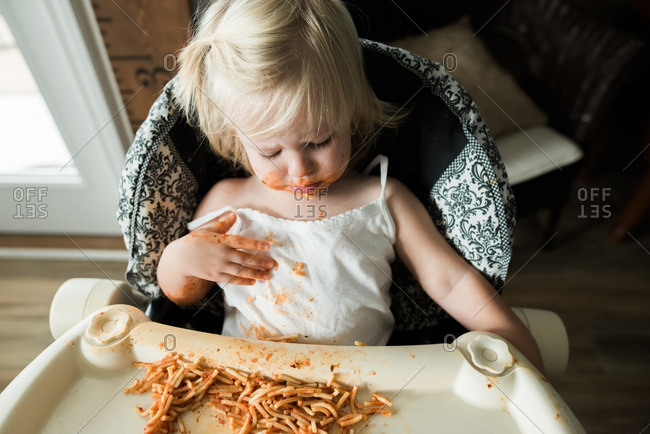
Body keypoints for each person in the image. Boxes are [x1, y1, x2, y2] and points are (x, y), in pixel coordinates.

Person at [157, 0, 545, 372]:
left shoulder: (382, 199)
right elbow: (184, 297)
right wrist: (180, 262)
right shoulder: (228, 205)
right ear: (236, 138)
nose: (300, 170)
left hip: (365, 388)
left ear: (352, 115)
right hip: (248, 386)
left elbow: (450, 281)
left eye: (318, 142)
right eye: (271, 151)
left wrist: (507, 336)